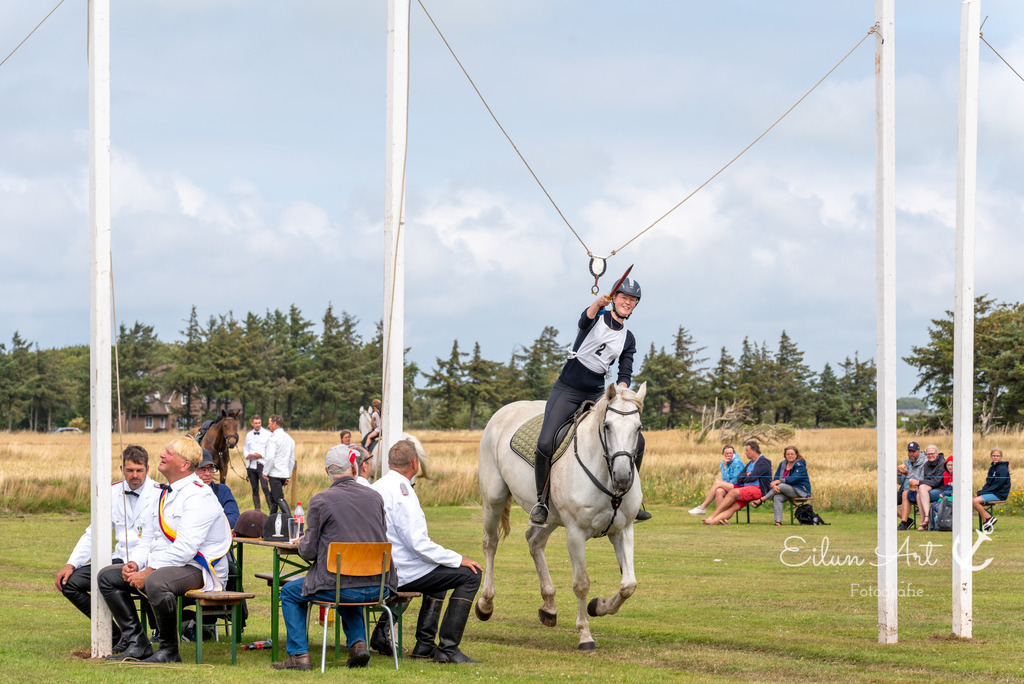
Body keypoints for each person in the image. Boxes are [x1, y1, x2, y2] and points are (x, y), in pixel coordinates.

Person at [97, 437, 233, 663]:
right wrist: (136, 564)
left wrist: (147, 572)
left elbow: (185, 549)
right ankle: (138, 644)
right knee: (107, 577)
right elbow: (148, 537)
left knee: (155, 581)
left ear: (184, 465)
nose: (162, 455)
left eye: (168, 453)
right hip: (172, 565)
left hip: (201, 567)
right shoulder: (162, 492)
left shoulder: (199, 495)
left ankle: (169, 650)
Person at [530, 278, 647, 526]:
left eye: (633, 300)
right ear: (614, 298)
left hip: (596, 392)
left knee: (638, 440)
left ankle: (630, 499)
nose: (628, 302)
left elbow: (625, 373)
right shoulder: (597, 317)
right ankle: (541, 502)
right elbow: (583, 321)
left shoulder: (629, 338)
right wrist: (597, 303)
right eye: (624, 297)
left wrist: (622, 392)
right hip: (568, 388)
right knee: (545, 441)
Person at [273, 446, 396, 670]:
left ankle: (299, 655)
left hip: (342, 585)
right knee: (347, 580)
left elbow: (309, 553)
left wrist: (305, 541)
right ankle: (358, 645)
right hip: (379, 585)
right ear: (354, 468)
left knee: (290, 592)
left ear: (327, 471)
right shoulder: (375, 497)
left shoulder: (321, 501)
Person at [371, 439, 482, 663]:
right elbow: (418, 544)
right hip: (400, 571)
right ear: (415, 463)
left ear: (390, 463)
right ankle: (448, 648)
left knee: (440, 573)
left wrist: (447, 560)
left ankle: (422, 645)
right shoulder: (403, 493)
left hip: (379, 567)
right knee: (472, 575)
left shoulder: (377, 486)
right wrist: (458, 558)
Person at [55, 445, 160, 653]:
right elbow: (94, 532)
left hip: (149, 564)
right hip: (118, 560)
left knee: (108, 579)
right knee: (70, 583)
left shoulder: (160, 493)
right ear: (122, 468)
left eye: (139, 470)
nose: (135, 475)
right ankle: (116, 635)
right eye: (129, 470)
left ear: (148, 469)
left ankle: (135, 638)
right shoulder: (111, 492)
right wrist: (71, 563)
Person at [702, 440, 772, 525]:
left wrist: (748, 476)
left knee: (733, 493)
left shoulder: (763, 462)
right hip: (746, 489)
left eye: (747, 451)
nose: (745, 453)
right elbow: (740, 478)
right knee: (732, 507)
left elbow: (752, 478)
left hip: (758, 490)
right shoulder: (750, 463)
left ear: (754, 451)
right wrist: (747, 475)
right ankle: (714, 521)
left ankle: (712, 516)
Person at [753, 446, 811, 526]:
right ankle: (778, 521)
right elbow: (776, 477)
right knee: (777, 497)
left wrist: (779, 482)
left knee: (782, 486)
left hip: (799, 490)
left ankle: (762, 499)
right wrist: (774, 486)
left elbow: (794, 479)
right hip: (785, 489)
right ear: (785, 455)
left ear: (796, 455)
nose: (790, 456)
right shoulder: (783, 463)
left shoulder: (799, 465)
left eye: (792, 454)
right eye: (788, 454)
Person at [900, 445, 945, 531]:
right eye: (928, 454)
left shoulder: (942, 464)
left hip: (941, 489)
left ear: (937, 454)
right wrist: (917, 485)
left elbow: (937, 481)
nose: (930, 456)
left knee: (922, 488)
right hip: (929, 488)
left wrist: (919, 483)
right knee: (918, 493)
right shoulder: (927, 464)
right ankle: (923, 522)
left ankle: (927, 518)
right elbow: (926, 480)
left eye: (932, 454)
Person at [262, 414, 296, 515]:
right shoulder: (289, 439)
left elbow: (270, 458)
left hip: (274, 474)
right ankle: (271, 520)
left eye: (269, 423)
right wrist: (288, 476)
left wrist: (265, 472)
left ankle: (291, 520)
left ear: (275, 423)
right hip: (283, 474)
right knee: (273, 500)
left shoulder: (273, 438)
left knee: (279, 499)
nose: (268, 426)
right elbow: (291, 460)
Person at [196, 450, 240, 527]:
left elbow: (234, 519)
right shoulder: (184, 492)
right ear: (192, 471)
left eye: (210, 469)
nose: (207, 474)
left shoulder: (222, 491)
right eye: (202, 469)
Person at [974, 448, 1011, 533]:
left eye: (997, 456)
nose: (995, 457)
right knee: (973, 500)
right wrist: (980, 492)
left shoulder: (1002, 468)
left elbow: (998, 485)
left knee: (975, 501)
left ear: (1001, 457)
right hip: (993, 492)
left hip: (999, 494)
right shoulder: (992, 468)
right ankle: (986, 522)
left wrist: (981, 493)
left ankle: (989, 518)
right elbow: (988, 483)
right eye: (994, 455)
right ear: (991, 456)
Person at [243, 413, 272, 511]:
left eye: (259, 423)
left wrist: (261, 455)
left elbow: (270, 449)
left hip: (262, 465)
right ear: (252, 424)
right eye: (256, 423)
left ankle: (271, 510)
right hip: (251, 465)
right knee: (254, 489)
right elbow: (245, 448)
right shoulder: (248, 435)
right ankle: (257, 510)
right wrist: (247, 455)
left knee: (265, 488)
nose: (258, 425)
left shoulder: (267, 434)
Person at [896, 441, 924, 507]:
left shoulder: (924, 462)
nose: (911, 454)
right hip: (903, 489)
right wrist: (899, 475)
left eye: (913, 452)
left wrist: (908, 474)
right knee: (887, 501)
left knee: (905, 494)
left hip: (916, 491)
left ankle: (904, 518)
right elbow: (899, 482)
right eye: (909, 452)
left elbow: (922, 480)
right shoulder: (906, 462)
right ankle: (907, 518)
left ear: (918, 451)